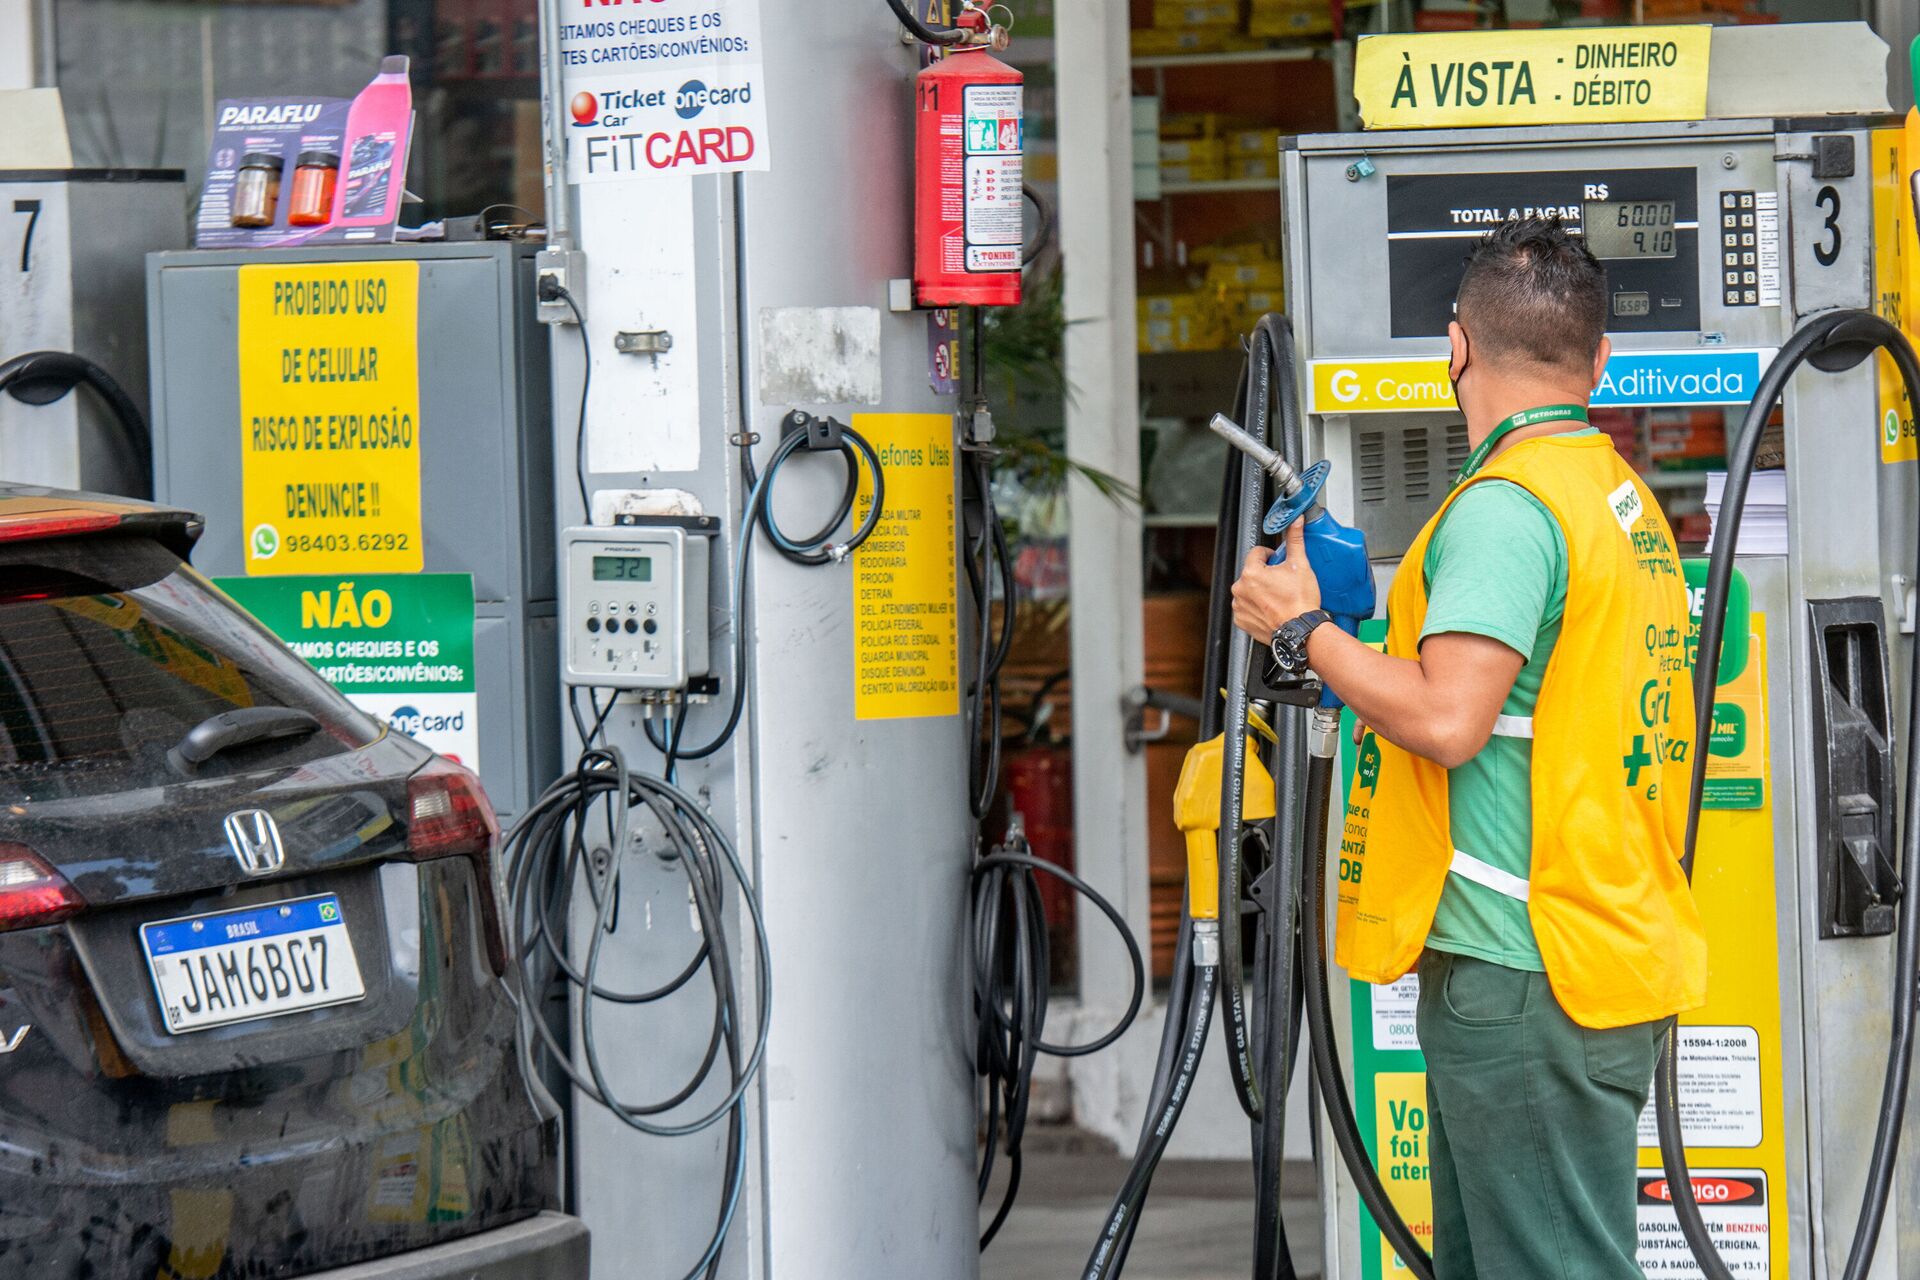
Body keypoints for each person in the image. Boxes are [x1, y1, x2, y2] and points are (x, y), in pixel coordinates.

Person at [1230, 215, 1707, 1279]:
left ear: (1456, 347)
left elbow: (1450, 719)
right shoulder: (1618, 499)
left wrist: (1303, 634)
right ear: (1601, 363)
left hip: (1523, 970)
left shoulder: (1505, 509)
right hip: (1592, 943)